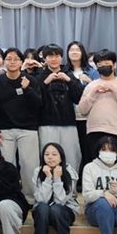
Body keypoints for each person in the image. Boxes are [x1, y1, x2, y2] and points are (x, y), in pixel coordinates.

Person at [0, 47, 43, 202]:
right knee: (5, 164)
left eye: (16, 59)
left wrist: (27, 89)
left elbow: (39, 104)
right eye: (8, 59)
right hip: (4, 130)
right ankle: (8, 196)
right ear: (4, 62)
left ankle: (30, 198)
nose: (12, 62)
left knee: (29, 165)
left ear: (21, 62)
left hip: (28, 129)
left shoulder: (30, 80)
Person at [78, 49, 117, 162]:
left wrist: (116, 91)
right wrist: (93, 93)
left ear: (114, 65)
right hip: (94, 131)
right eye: (100, 65)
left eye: (107, 63)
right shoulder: (91, 86)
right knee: (94, 166)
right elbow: (82, 110)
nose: (103, 67)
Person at [37, 43, 84, 173]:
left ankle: (71, 183)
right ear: (44, 58)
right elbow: (35, 100)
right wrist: (45, 82)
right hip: (46, 123)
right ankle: (48, 182)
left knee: (72, 156)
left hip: (68, 123)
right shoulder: (40, 76)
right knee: (48, 156)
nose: (54, 59)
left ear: (62, 57)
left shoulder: (68, 74)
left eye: (57, 56)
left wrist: (69, 80)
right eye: (50, 56)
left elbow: (79, 97)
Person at [32, 142, 79, 234]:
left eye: (54, 154)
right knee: (42, 207)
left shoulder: (70, 172)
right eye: (46, 154)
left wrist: (57, 178)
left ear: (61, 157)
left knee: (56, 209)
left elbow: (61, 201)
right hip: (43, 212)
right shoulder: (38, 171)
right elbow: (41, 199)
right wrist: (48, 178)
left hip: (64, 211)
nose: (50, 157)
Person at [66, 40, 100, 182]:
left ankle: (87, 180)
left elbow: (100, 90)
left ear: (82, 53)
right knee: (73, 151)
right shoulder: (64, 71)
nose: (74, 52)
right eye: (71, 50)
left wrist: (90, 82)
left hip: (88, 117)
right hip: (69, 117)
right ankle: (74, 180)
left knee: (88, 150)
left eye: (77, 50)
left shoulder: (92, 71)